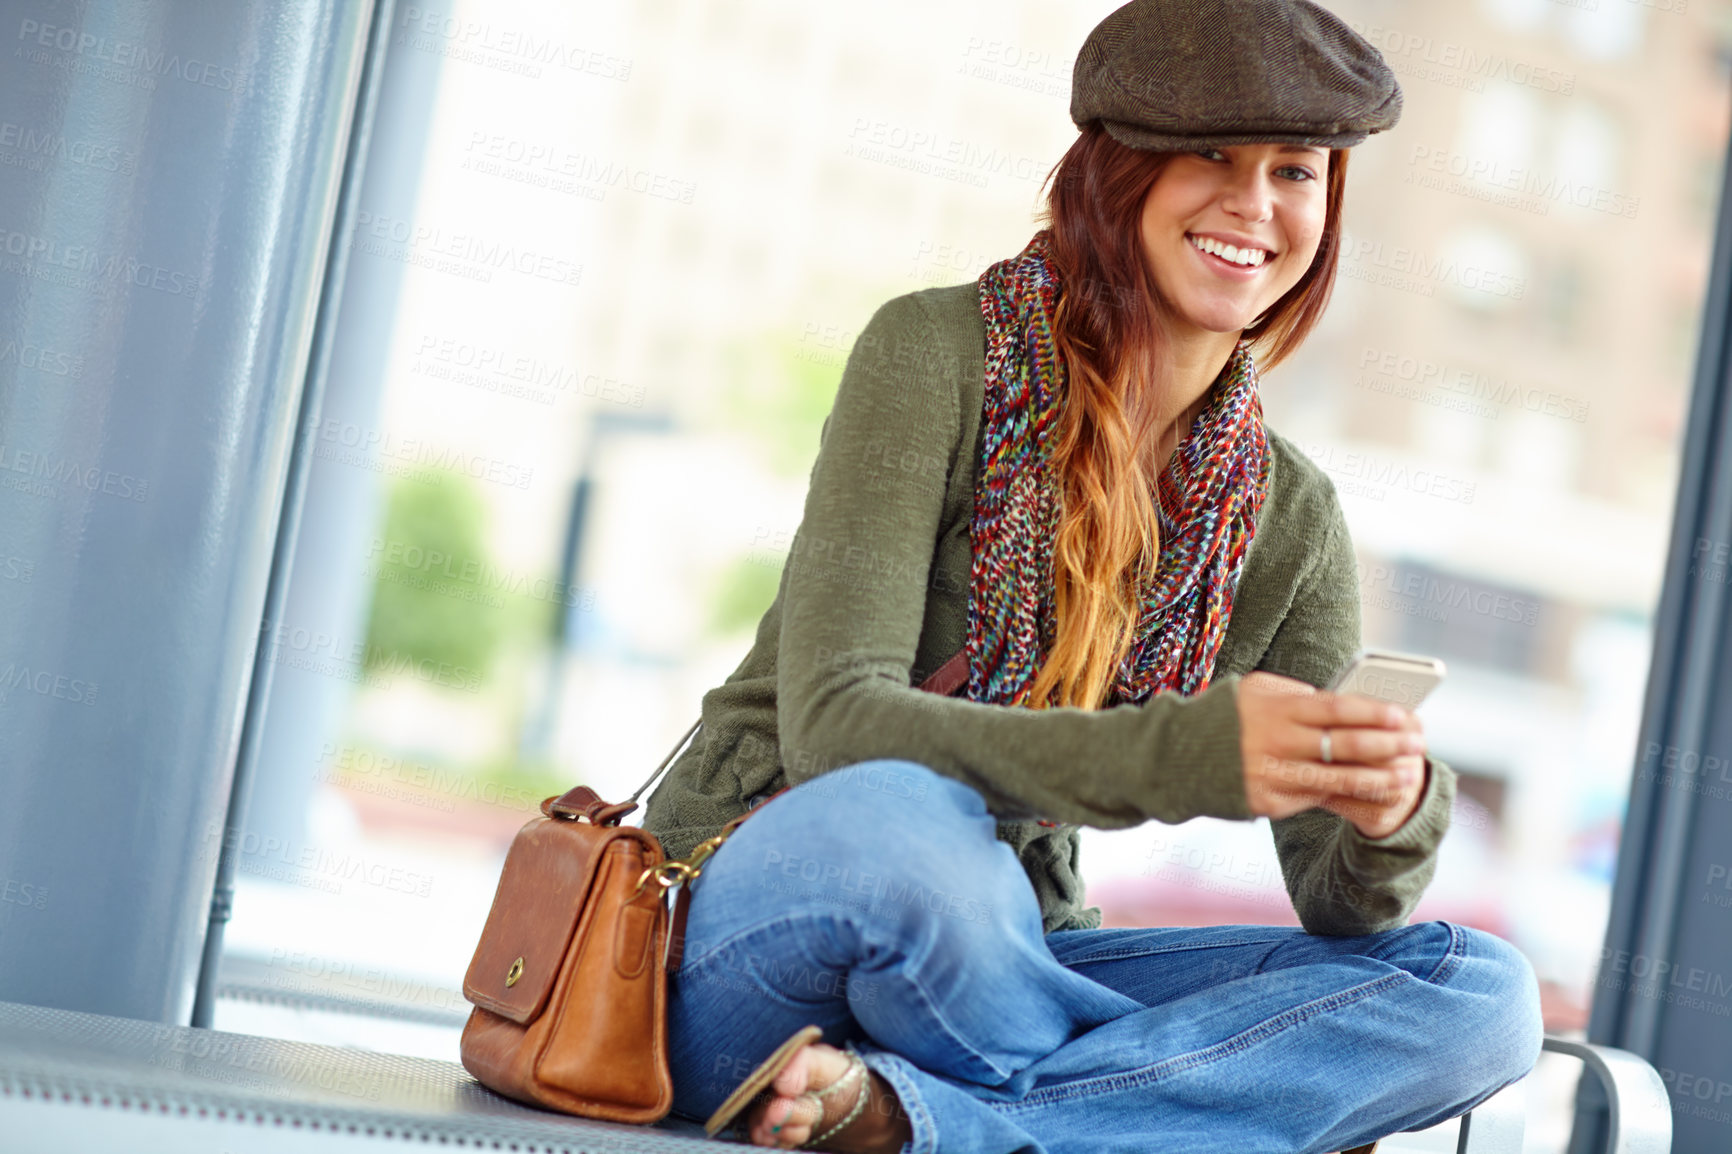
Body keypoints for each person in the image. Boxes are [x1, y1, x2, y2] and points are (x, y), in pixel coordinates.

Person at [641, 1, 1545, 1150]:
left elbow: (1338, 898)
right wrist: (1186, 754)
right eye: (1210, 153)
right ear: (1116, 168)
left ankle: (918, 1120)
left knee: (1475, 992)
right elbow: (832, 732)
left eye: (1296, 171)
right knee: (908, 830)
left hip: (1020, 952)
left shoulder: (1291, 515)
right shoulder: (933, 356)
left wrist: (1389, 804)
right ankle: (1137, 1108)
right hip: (781, 915)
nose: (1254, 205)